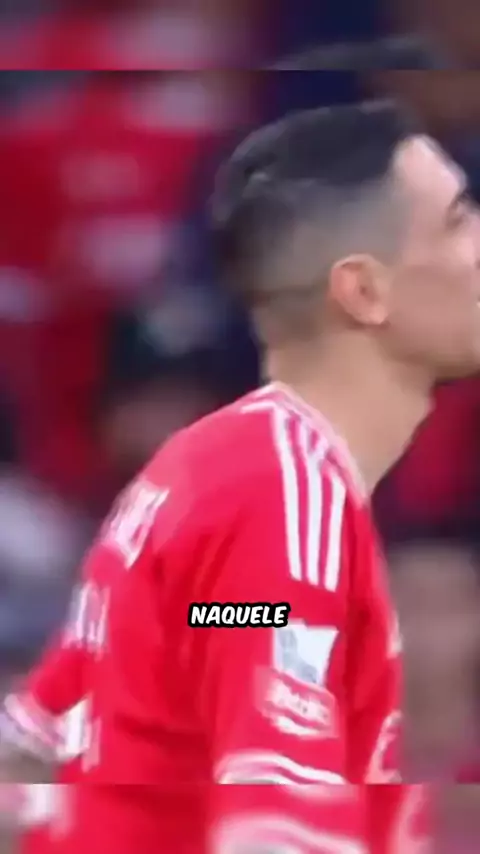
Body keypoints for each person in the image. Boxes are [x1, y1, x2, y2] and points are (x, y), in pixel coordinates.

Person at [6, 99, 480, 853]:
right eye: (458, 222)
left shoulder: (209, 469)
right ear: (365, 292)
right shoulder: (284, 505)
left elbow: (30, 744)